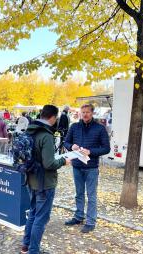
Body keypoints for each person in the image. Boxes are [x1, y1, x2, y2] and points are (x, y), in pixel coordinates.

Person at [21, 105, 69, 254]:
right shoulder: (46, 135)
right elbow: (49, 163)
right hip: (44, 184)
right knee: (40, 218)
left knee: (33, 214)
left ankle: (26, 245)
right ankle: (33, 251)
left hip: (30, 180)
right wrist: (64, 161)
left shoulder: (31, 130)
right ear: (53, 118)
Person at [63, 104, 110, 233]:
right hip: (77, 166)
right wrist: (71, 146)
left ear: (92, 113)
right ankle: (78, 217)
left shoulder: (100, 128)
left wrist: (91, 151)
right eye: (82, 112)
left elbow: (106, 148)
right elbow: (65, 142)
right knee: (79, 194)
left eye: (87, 112)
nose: (85, 114)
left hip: (91, 167)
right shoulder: (74, 127)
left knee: (91, 196)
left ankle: (90, 221)